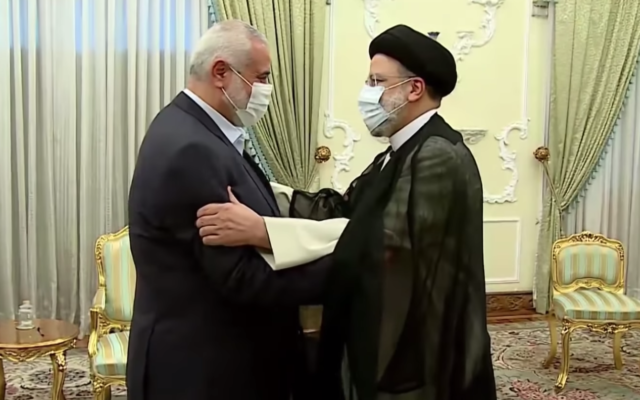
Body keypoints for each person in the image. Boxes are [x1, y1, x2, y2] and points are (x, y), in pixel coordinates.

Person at [196, 24, 497, 400]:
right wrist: (260, 189)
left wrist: (264, 232)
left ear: (414, 89)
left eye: (377, 82)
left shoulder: (437, 155)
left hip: (420, 356)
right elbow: (340, 207)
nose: (367, 93)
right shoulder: (399, 151)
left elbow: (382, 246)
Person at [126, 20, 334, 400]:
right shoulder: (192, 148)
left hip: (215, 359)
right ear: (221, 72)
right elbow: (242, 276)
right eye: (262, 77)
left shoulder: (195, 128)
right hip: (203, 370)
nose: (267, 89)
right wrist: (350, 267)